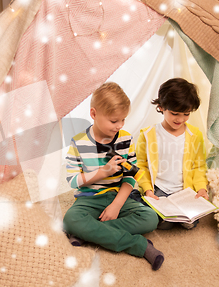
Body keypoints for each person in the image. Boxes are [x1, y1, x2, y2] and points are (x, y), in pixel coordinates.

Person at [63, 82, 164, 270]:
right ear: (93, 114)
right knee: (70, 219)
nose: (119, 125)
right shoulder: (78, 142)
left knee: (151, 218)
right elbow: (73, 180)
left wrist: (116, 205)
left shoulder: (126, 139)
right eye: (114, 121)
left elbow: (130, 177)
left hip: (118, 196)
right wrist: (102, 172)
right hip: (89, 198)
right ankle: (139, 246)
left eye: (123, 120)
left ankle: (87, 233)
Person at [136, 78, 209, 230]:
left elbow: (199, 167)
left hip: (185, 191)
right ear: (161, 107)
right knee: (153, 220)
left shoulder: (195, 135)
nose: (180, 119)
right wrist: (148, 190)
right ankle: (160, 214)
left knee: (191, 223)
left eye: (186, 114)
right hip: (158, 189)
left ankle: (172, 217)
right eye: (175, 113)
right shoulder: (148, 134)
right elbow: (141, 166)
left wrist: (202, 189)